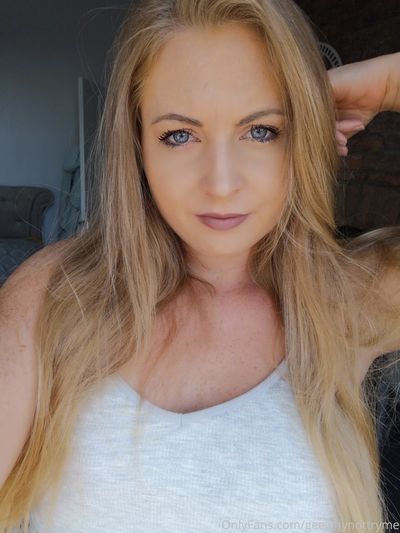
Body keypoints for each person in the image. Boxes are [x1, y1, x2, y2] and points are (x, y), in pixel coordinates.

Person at [0, 0, 399, 531]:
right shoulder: (53, 292)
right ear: (138, 145)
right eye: (179, 135)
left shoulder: (356, 293)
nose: (222, 184)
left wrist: (387, 83)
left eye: (261, 130)